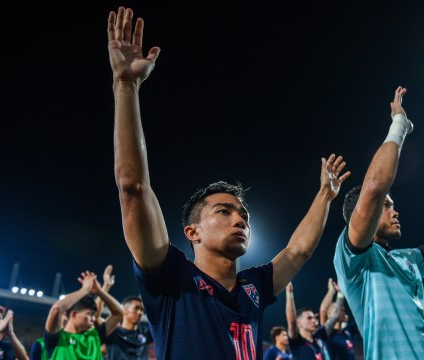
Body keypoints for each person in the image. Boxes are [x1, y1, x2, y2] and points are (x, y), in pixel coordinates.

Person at [107, 6, 350, 359]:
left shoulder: (254, 286)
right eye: (224, 211)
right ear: (193, 232)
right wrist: (126, 86)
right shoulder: (170, 277)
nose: (241, 220)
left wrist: (325, 197)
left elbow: (299, 250)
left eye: (244, 215)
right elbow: (133, 187)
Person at [333, 86, 424, 359]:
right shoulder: (354, 258)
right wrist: (400, 124)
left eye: (393, 206)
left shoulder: (407, 259)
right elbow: (374, 187)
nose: (395, 212)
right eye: (387, 207)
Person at [43, 271, 124, 359]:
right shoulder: (57, 338)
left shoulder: (94, 336)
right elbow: (56, 309)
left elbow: (119, 313)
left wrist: (100, 292)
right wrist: (84, 290)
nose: (93, 318)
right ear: (74, 314)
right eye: (90, 314)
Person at [285, 282, 335, 359]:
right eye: (309, 318)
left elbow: (329, 314)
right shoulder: (296, 341)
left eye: (314, 317)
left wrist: (332, 290)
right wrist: (289, 293)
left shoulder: (319, 336)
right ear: (299, 323)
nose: (314, 320)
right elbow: (292, 322)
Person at [318, 279, 356, 360]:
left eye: (343, 309)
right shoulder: (328, 333)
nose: (342, 312)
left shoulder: (346, 331)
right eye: (339, 309)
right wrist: (332, 290)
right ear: (330, 314)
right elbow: (323, 311)